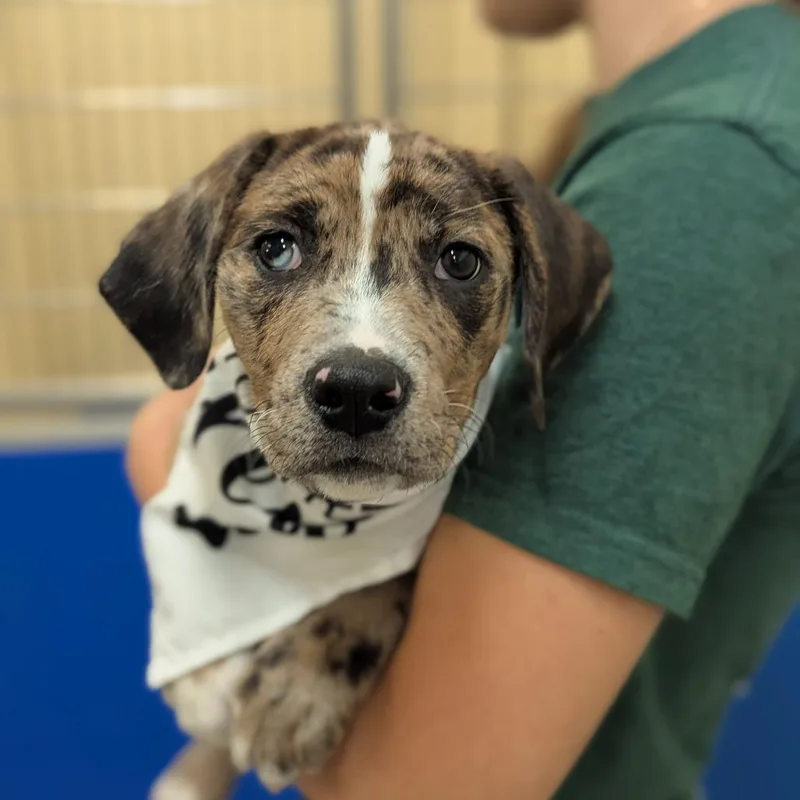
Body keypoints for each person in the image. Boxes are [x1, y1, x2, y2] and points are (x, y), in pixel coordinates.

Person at [127, 1, 800, 797]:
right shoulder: (643, 117)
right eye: (277, 247)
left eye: (456, 261)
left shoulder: (717, 167)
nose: (360, 368)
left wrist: (158, 439)